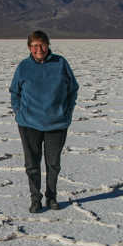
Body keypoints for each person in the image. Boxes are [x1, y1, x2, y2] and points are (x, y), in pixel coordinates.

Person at [9, 31, 79, 213]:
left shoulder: (60, 63)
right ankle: (35, 199)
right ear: (29, 47)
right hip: (28, 123)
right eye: (35, 46)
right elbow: (15, 92)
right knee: (32, 164)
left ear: (48, 45)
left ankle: (52, 197)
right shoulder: (23, 67)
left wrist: (68, 110)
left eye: (42, 45)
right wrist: (18, 111)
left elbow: (73, 89)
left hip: (56, 123)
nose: (39, 49)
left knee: (53, 163)